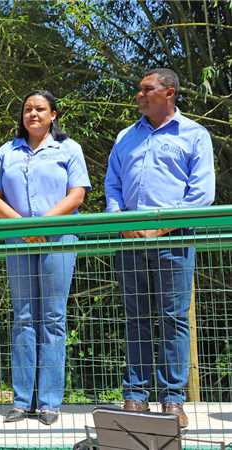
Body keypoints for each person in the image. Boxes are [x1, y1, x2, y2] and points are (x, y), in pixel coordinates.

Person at [105, 68, 215, 428]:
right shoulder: (125, 136)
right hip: (131, 241)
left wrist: (160, 226)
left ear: (169, 93)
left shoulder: (194, 135)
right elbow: (113, 186)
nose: (139, 95)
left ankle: (172, 400)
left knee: (173, 319)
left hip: (175, 239)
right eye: (139, 90)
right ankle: (135, 396)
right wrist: (123, 222)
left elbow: (201, 194)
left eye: (146, 89)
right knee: (135, 319)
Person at [0, 91, 91, 425]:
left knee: (53, 318)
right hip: (18, 240)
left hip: (58, 239)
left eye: (40, 109)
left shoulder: (69, 149)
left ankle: (49, 402)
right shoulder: (7, 151)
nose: (32, 114)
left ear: (54, 115)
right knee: (23, 317)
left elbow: (78, 193)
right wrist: (23, 226)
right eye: (28, 109)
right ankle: (21, 400)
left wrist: (44, 224)